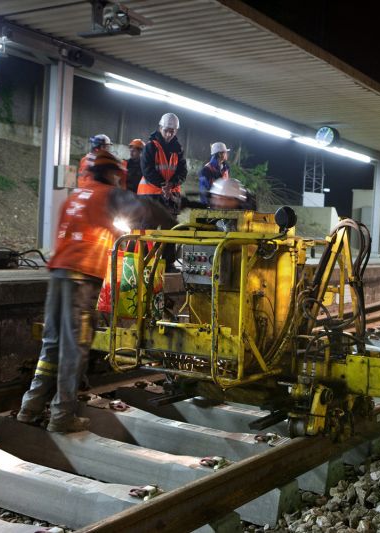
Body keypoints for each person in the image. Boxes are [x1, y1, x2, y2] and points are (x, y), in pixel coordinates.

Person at [16, 151, 173, 433]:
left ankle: (30, 406)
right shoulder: (109, 195)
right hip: (82, 278)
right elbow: (147, 208)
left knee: (52, 344)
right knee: (74, 347)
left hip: (59, 274)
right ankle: (62, 415)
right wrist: (174, 224)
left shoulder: (75, 197)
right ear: (111, 174)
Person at [137, 112, 187, 272]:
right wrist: (162, 184)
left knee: (170, 229)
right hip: (151, 195)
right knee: (147, 229)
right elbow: (147, 169)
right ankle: (143, 262)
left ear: (176, 131)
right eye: (166, 130)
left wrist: (172, 184)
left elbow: (183, 172)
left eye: (172, 131)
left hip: (170, 195)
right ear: (160, 128)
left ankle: (168, 264)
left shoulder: (178, 149)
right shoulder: (150, 147)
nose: (169, 134)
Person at [199, 141, 231, 206]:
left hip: (222, 203)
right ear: (219, 154)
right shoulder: (206, 170)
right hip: (211, 204)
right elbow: (203, 190)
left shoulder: (226, 167)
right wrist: (206, 206)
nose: (227, 154)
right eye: (225, 152)